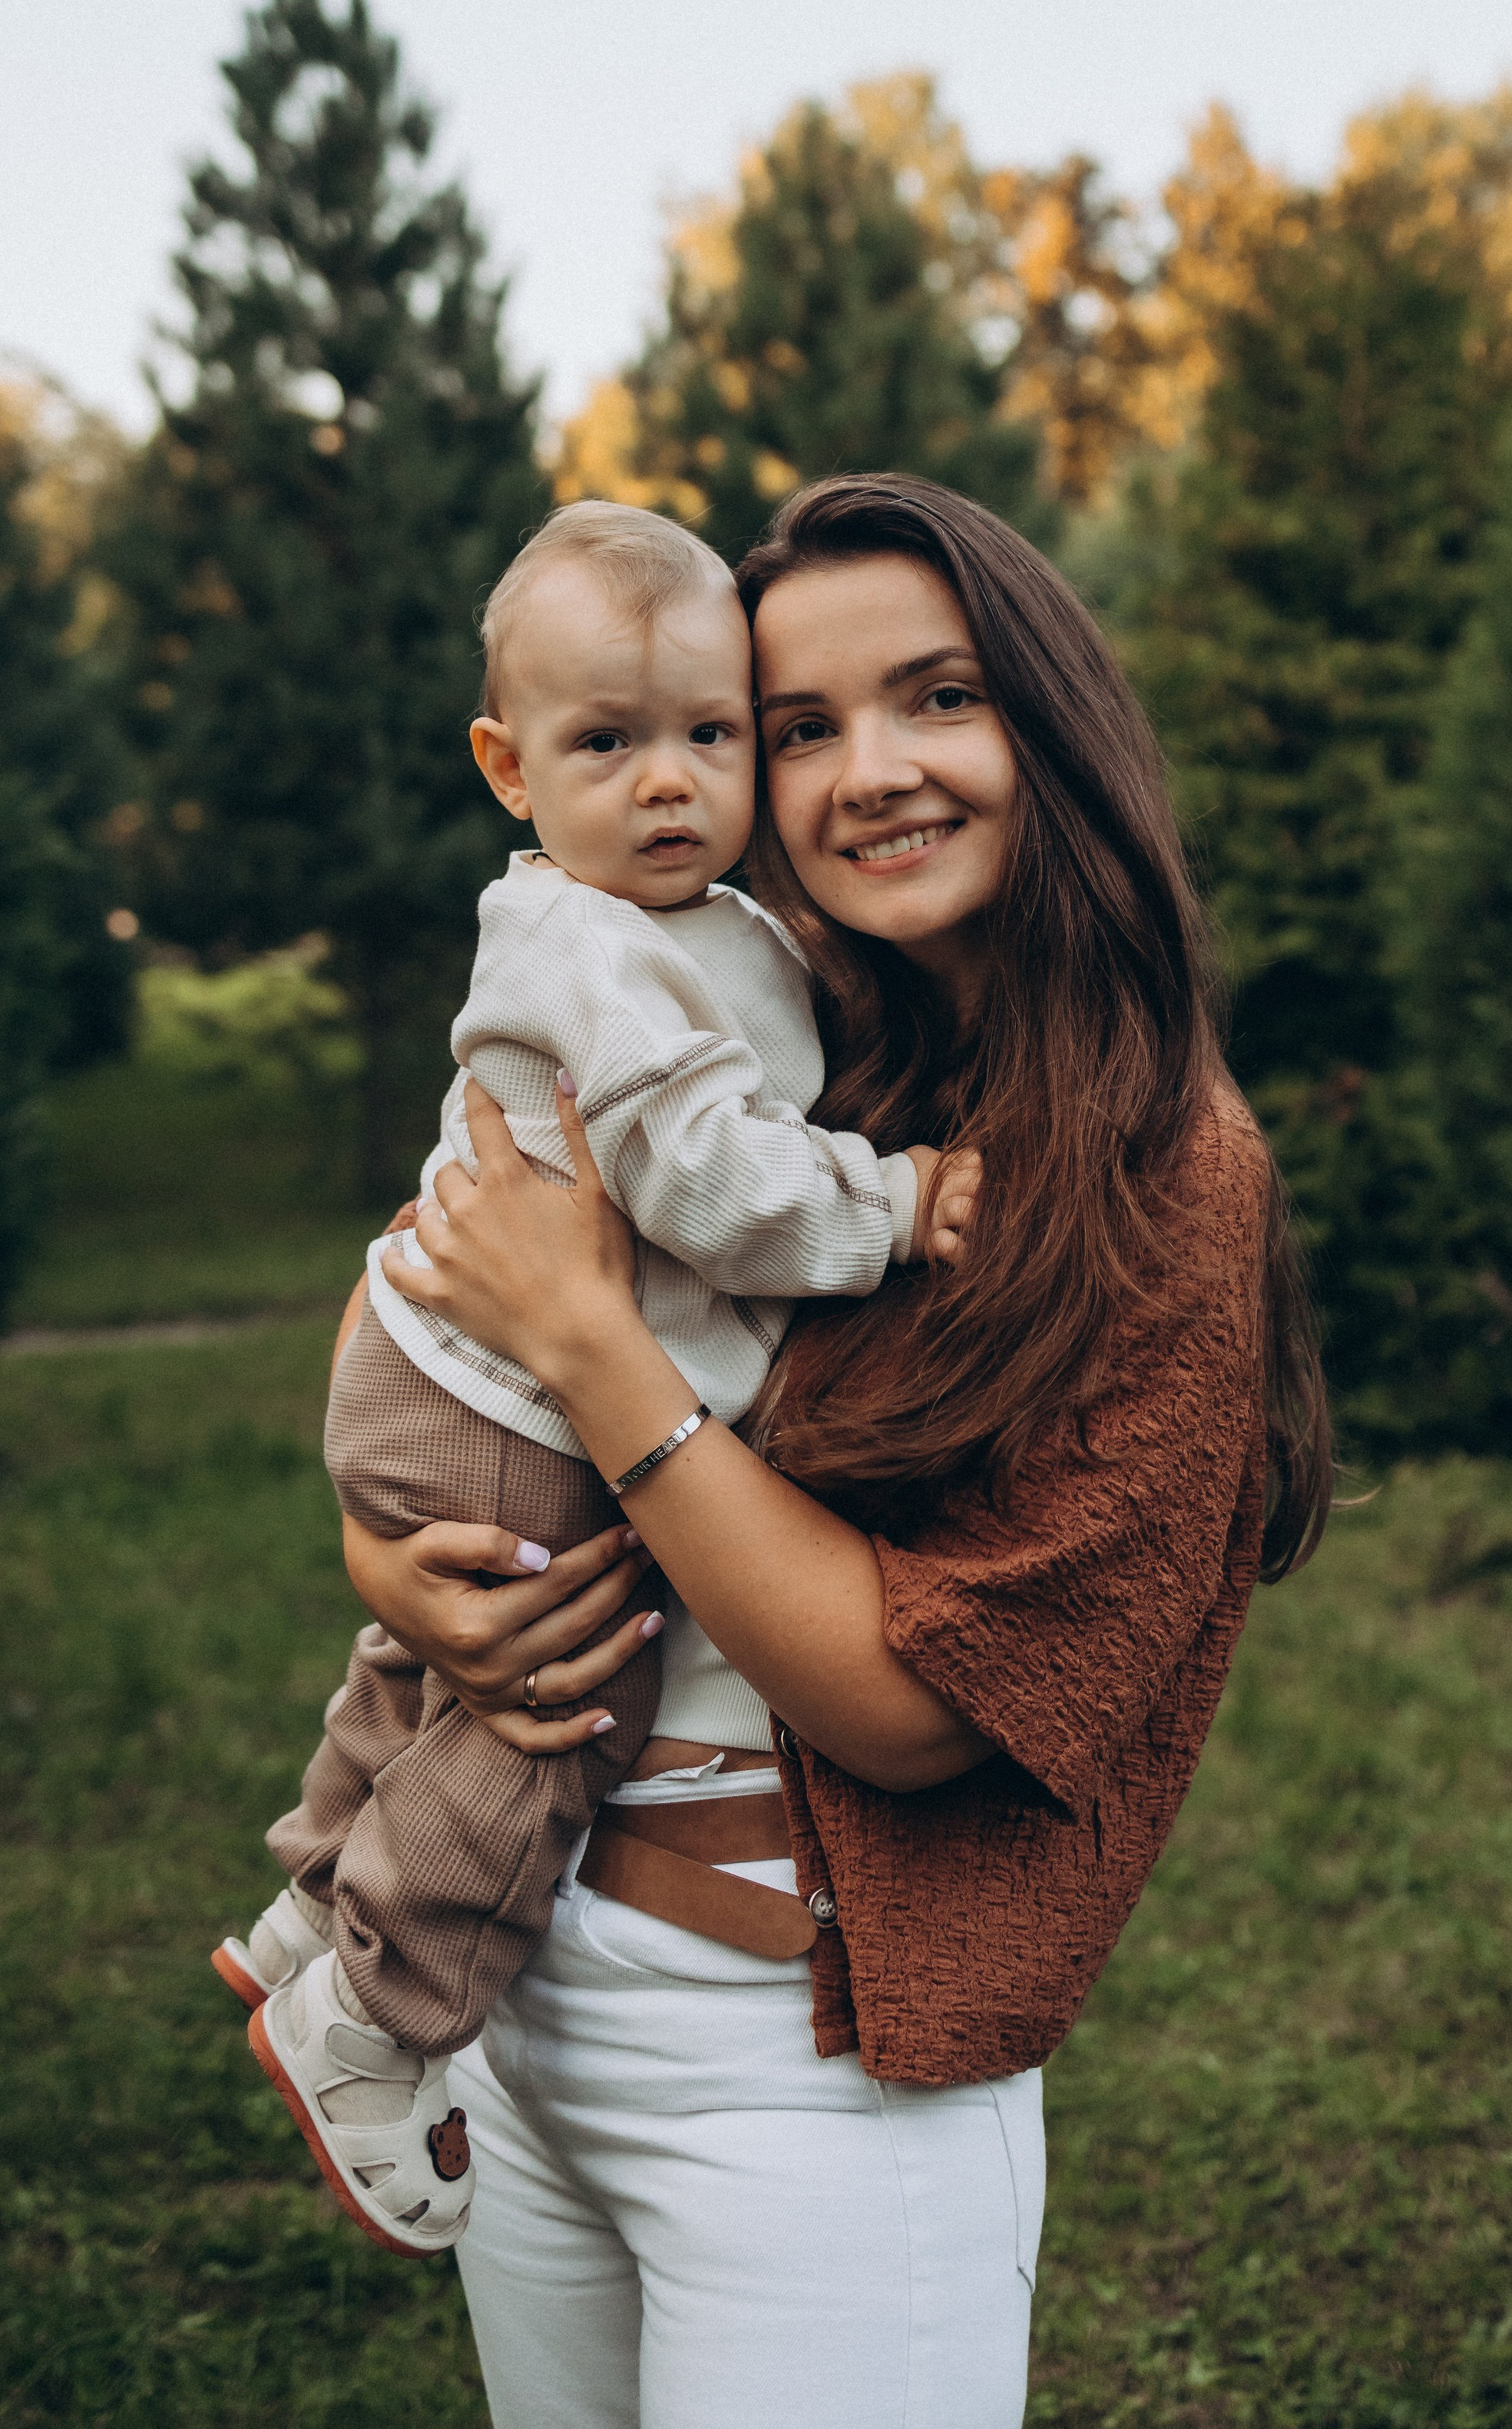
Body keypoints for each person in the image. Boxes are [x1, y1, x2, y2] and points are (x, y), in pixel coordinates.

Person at [345, 475, 1332, 2429]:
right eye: (799, 727)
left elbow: (915, 1707)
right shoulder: (765, 1042)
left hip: (809, 2069)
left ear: (1044, 728)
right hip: (532, 1994)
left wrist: (594, 1350)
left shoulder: (1164, 1176)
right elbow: (462, 1283)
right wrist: (403, 1574)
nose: (865, 770)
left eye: (936, 697)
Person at [217, 499, 971, 2259]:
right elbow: (708, 1176)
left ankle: (313, 1900)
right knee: (561, 1703)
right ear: (506, 765)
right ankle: (376, 2018)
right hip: (502, 1390)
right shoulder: (595, 949)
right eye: (607, 744)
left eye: (710, 736)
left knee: (444, 1644)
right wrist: (892, 1202)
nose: (668, 786)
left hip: (453, 1358)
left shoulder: (687, 919)